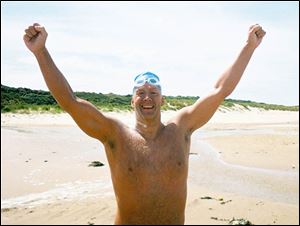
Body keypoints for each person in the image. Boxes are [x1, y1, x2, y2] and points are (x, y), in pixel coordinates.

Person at [23, 23, 266, 225]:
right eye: (141, 92)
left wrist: (249, 47)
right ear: (132, 100)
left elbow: (220, 90)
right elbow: (70, 101)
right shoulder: (114, 135)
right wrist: (41, 52)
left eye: (153, 92)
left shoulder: (181, 128)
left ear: (163, 99)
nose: (147, 97)